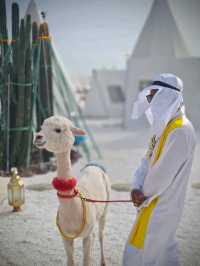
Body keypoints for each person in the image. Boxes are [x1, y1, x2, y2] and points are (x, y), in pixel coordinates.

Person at [123, 73, 196, 266]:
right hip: (149, 202)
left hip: (161, 205)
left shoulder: (180, 130)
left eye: (153, 96)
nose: (150, 101)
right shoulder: (163, 128)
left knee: (144, 255)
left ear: (167, 97)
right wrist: (136, 186)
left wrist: (142, 193)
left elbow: (160, 176)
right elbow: (146, 161)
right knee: (162, 255)